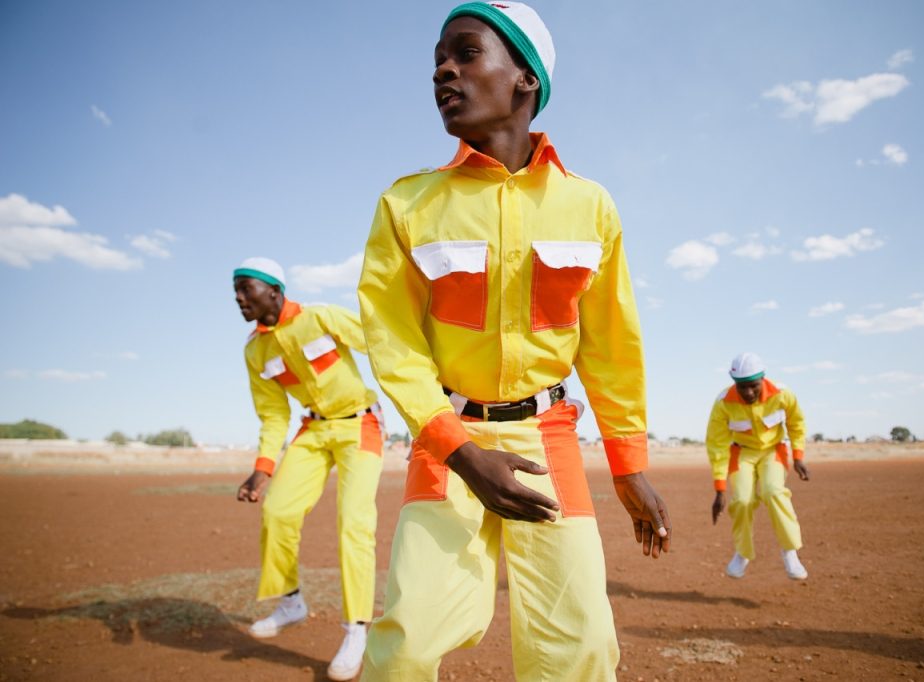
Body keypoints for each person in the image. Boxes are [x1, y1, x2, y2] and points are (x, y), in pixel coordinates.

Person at [356, 3, 671, 679]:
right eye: (438, 60)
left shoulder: (590, 206)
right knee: (406, 645)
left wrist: (628, 463)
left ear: (525, 78)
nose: (443, 69)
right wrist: (463, 453)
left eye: (466, 53)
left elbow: (612, 345)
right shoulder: (407, 205)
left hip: (549, 441)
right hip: (448, 445)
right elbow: (393, 342)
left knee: (581, 649)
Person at [233, 257, 384, 681]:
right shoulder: (254, 350)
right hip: (313, 431)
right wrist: (262, 469)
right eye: (236, 292)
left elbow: (380, 343)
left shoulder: (320, 317)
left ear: (274, 291)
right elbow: (272, 414)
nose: (239, 298)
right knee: (277, 511)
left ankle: (357, 629)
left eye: (246, 289)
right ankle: (291, 602)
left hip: (361, 424)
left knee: (354, 523)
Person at [706, 352, 810, 580]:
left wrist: (799, 456)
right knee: (742, 501)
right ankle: (742, 552)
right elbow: (717, 445)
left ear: (762, 379)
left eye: (753, 386)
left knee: (773, 492)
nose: (748, 392)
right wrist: (720, 489)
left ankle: (789, 551)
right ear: (735, 384)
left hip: (773, 451)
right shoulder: (723, 402)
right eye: (742, 387)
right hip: (741, 453)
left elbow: (796, 423)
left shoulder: (783, 395)